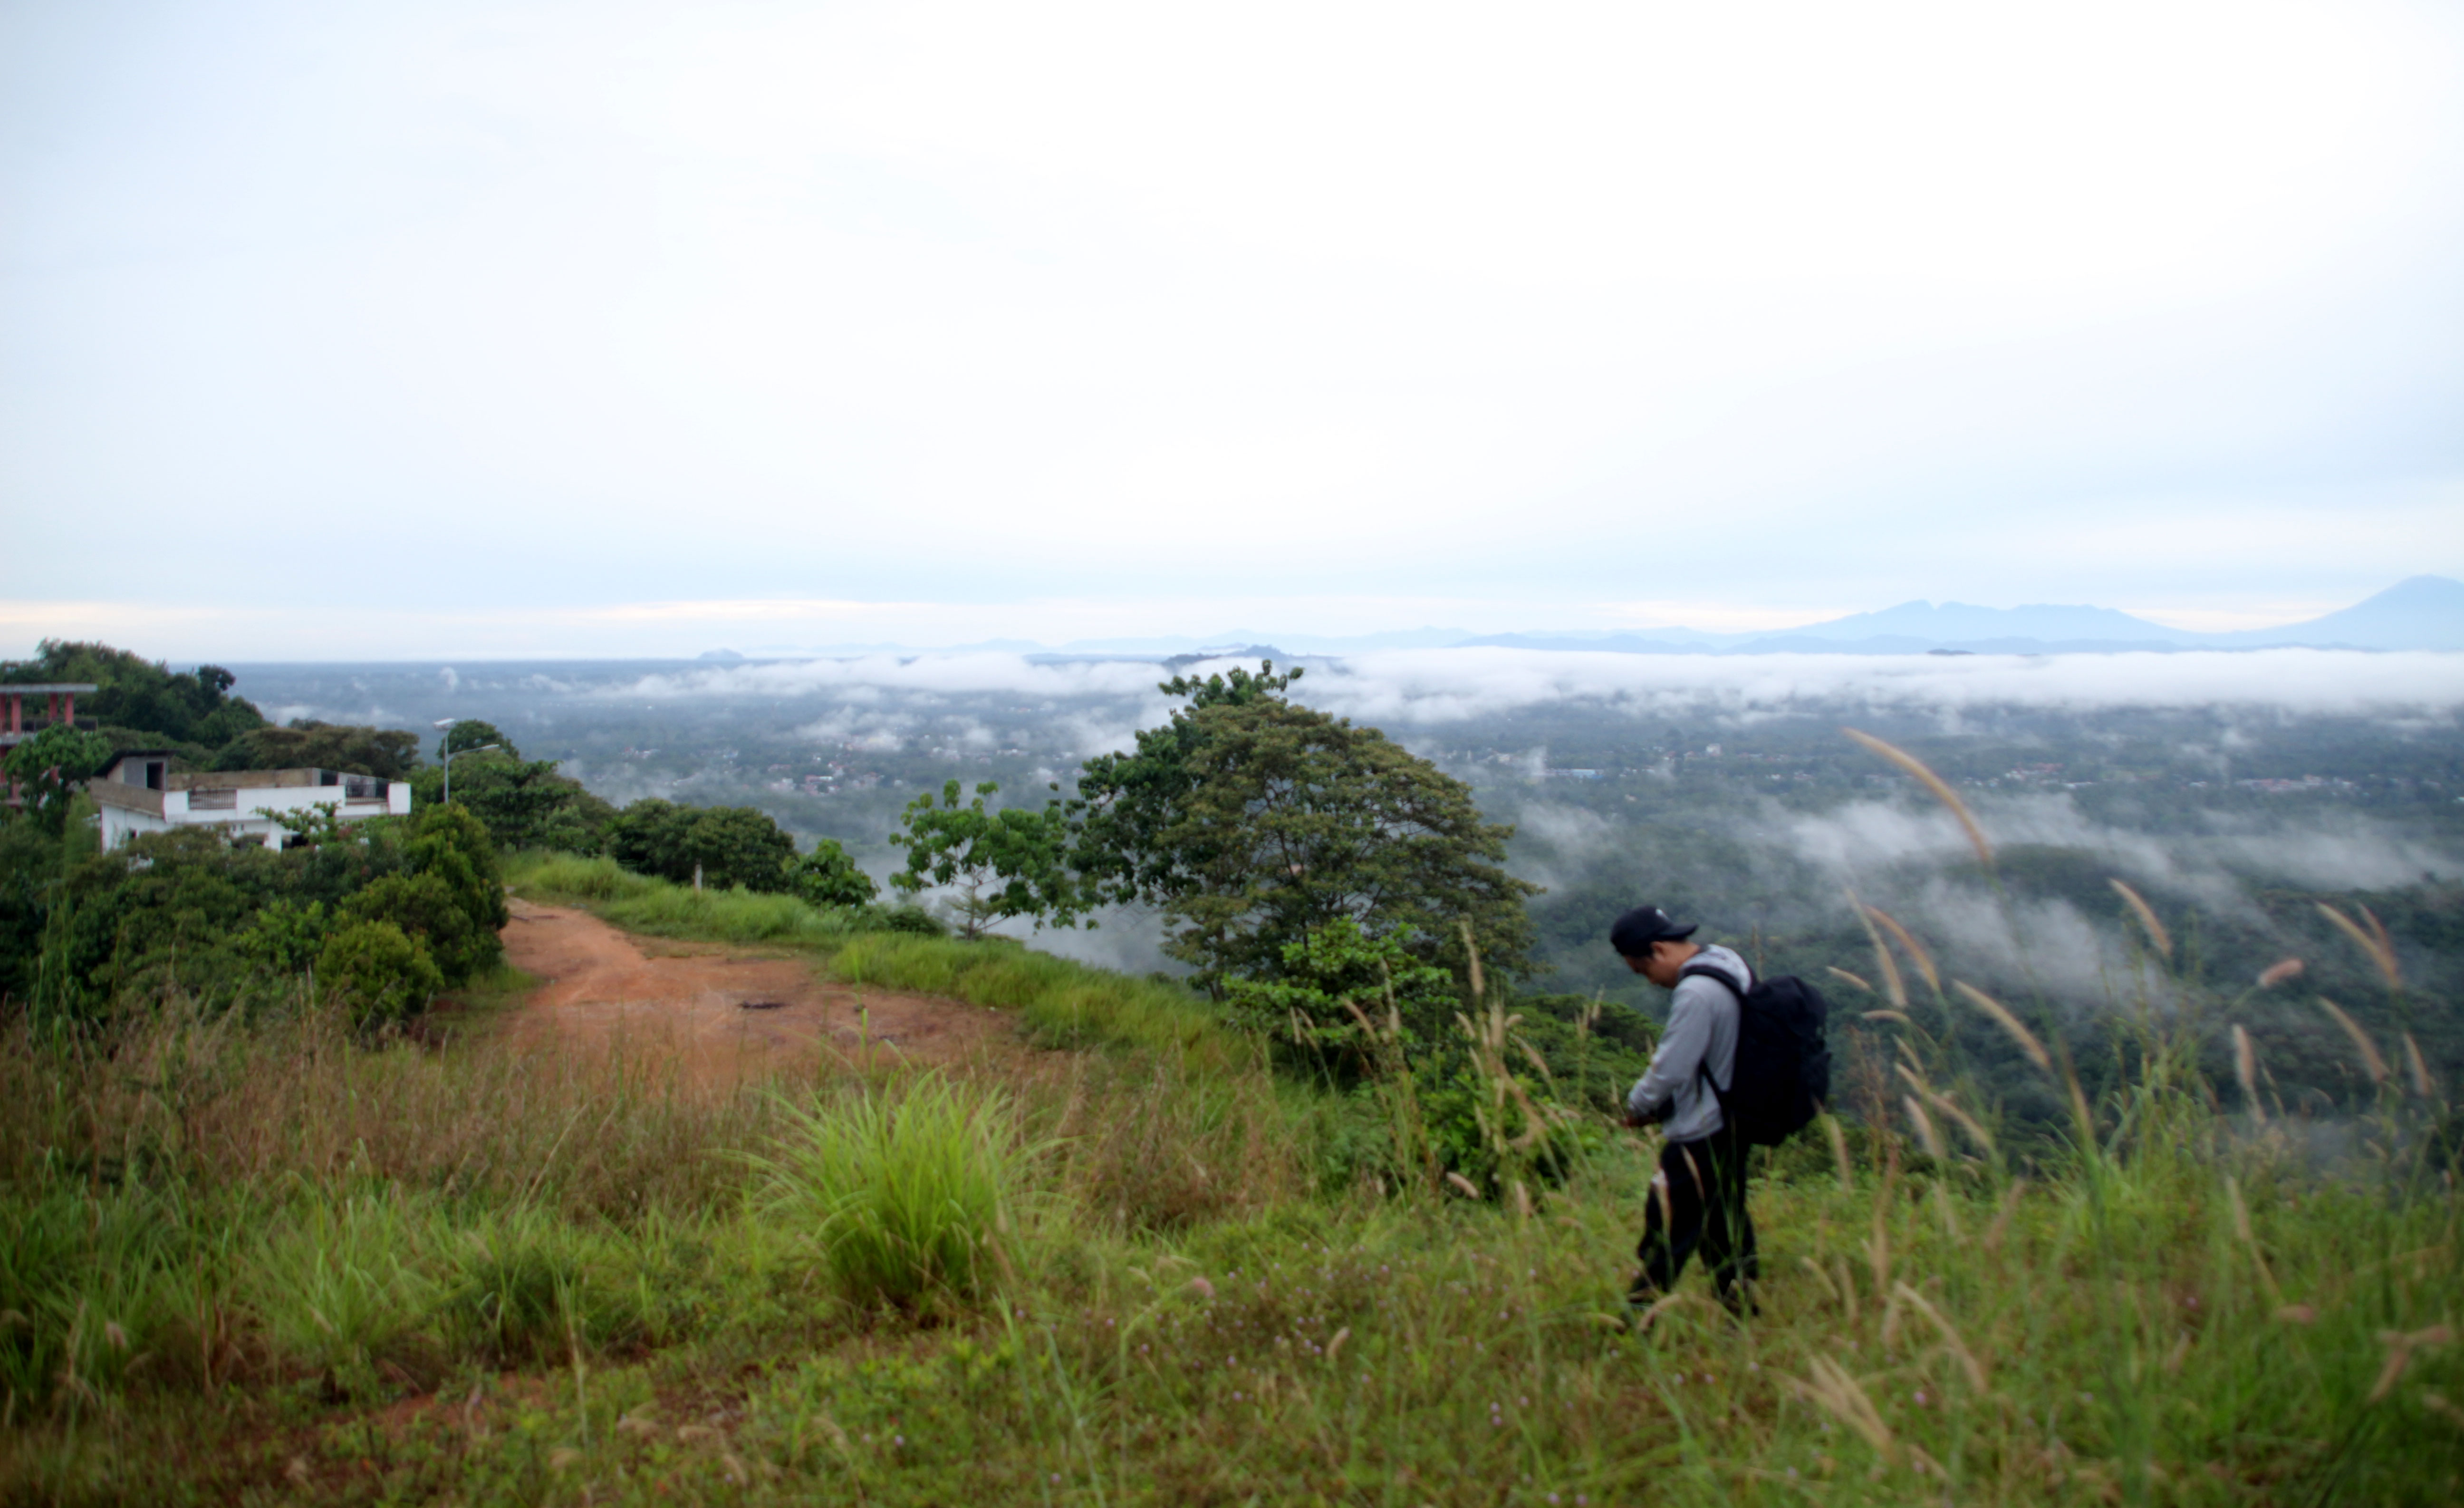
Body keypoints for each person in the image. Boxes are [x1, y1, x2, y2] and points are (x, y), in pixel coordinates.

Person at [1611, 903, 1759, 1318]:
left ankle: (1637, 1321)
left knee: (1667, 1227)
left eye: (1641, 971)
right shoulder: (1726, 961)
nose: (1649, 982)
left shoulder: (1696, 992)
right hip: (1734, 1121)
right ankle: (1741, 1312)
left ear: (1657, 951)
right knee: (1723, 1220)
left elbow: (1670, 1067)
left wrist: (1638, 1106)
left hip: (1701, 1130)